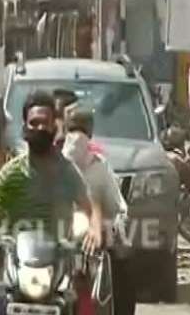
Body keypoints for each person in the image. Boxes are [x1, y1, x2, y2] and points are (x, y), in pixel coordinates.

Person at [0, 90, 102, 315]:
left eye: (45, 123)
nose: (40, 128)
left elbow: (90, 206)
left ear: (54, 127)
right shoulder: (11, 173)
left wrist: (95, 230)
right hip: (16, 263)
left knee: (84, 304)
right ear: (25, 126)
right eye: (34, 123)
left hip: (58, 264)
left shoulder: (67, 172)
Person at [62, 110, 134, 315]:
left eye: (81, 129)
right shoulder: (57, 164)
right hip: (58, 238)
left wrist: (110, 226)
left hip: (94, 239)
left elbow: (118, 208)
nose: (78, 137)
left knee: (122, 266)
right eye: (74, 129)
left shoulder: (99, 167)